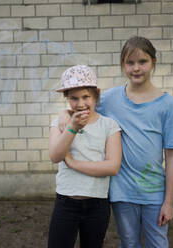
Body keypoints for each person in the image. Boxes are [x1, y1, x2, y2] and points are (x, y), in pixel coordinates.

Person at [58, 36, 173, 248]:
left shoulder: (167, 104)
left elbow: (171, 156)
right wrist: (64, 114)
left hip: (154, 192)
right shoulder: (110, 99)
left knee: (158, 243)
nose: (136, 68)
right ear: (122, 65)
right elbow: (82, 106)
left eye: (142, 62)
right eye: (130, 62)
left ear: (154, 62)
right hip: (122, 192)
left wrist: (168, 202)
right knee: (129, 243)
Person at [47, 65, 122, 248]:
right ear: (67, 98)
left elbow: (112, 167)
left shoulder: (109, 125)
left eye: (85, 96)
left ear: (96, 95)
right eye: (74, 98)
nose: (80, 103)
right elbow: (55, 156)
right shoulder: (60, 123)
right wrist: (71, 127)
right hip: (66, 202)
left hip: (97, 204)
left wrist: (72, 163)